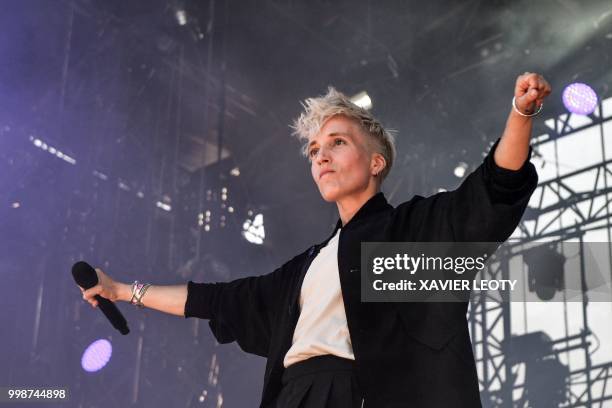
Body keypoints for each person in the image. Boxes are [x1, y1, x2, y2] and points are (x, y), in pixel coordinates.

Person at [79, 72, 551, 407]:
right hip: (295, 395)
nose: (321, 157)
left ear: (375, 163)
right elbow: (219, 299)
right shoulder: (305, 267)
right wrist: (123, 291)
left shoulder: (410, 231)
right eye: (314, 150)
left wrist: (519, 114)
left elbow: (488, 194)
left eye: (338, 143)